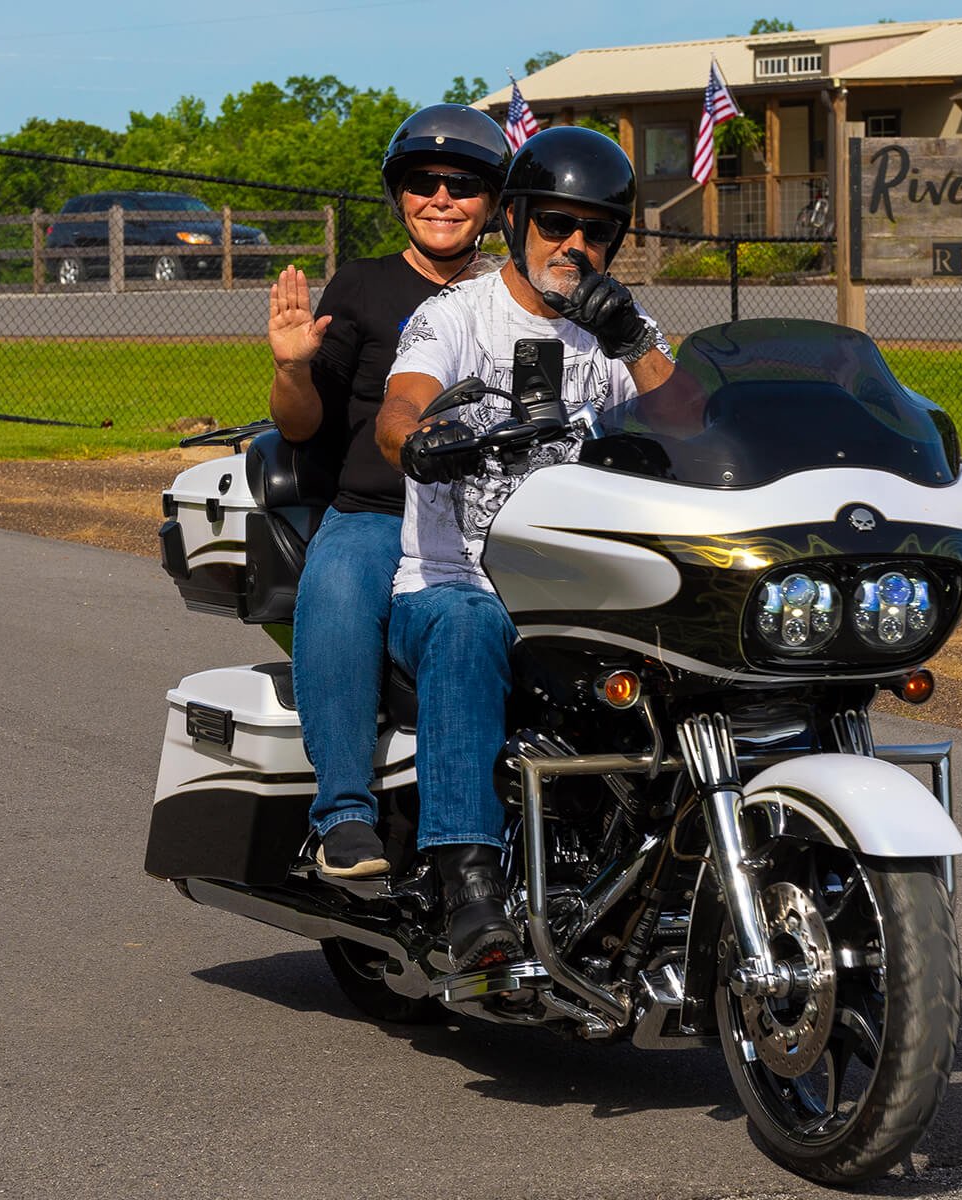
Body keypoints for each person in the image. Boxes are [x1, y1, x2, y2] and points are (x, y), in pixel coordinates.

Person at [374, 125, 690, 970]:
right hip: (449, 582)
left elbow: (695, 424)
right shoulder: (456, 315)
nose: (575, 246)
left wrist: (634, 342)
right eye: (556, 224)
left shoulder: (617, 327)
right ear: (515, 221)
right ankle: (470, 885)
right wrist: (416, 441)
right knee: (470, 627)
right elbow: (400, 404)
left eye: (596, 231)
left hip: (577, 592)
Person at [264, 104, 511, 879]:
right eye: (422, 182)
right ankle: (342, 816)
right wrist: (292, 367)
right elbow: (302, 429)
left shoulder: (519, 295)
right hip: (376, 511)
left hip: (499, 519)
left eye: (463, 184)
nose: (441, 198)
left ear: (495, 202)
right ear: (399, 196)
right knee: (337, 589)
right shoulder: (364, 286)